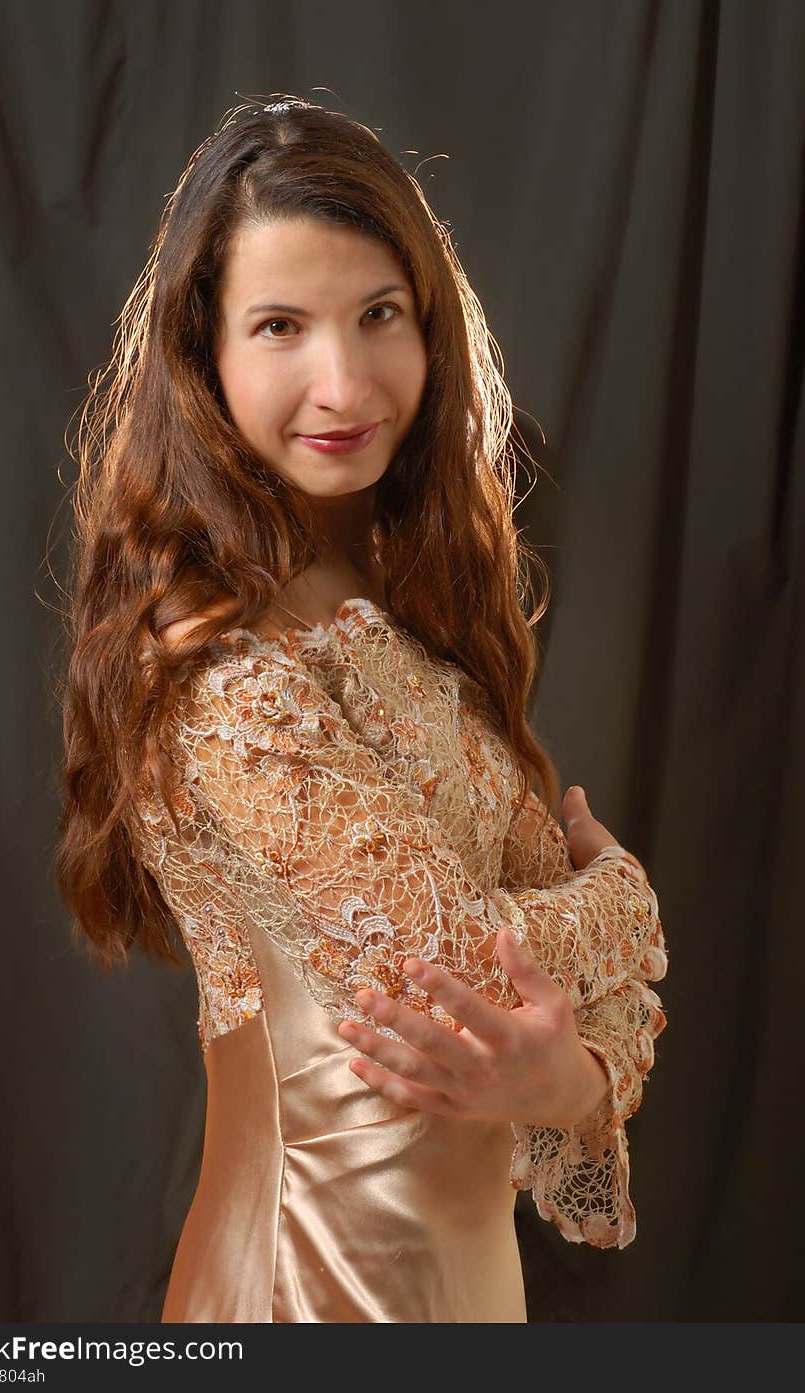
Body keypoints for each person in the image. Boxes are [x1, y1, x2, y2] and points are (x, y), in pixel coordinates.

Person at [55, 97, 667, 1324]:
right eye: (279, 325)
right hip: (306, 1288)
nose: (342, 382)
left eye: (377, 315)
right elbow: (451, 963)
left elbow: (543, 1028)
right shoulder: (215, 660)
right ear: (203, 354)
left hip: (460, 1287)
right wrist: (632, 903)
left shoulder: (394, 598)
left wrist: (570, 1076)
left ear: (431, 327)